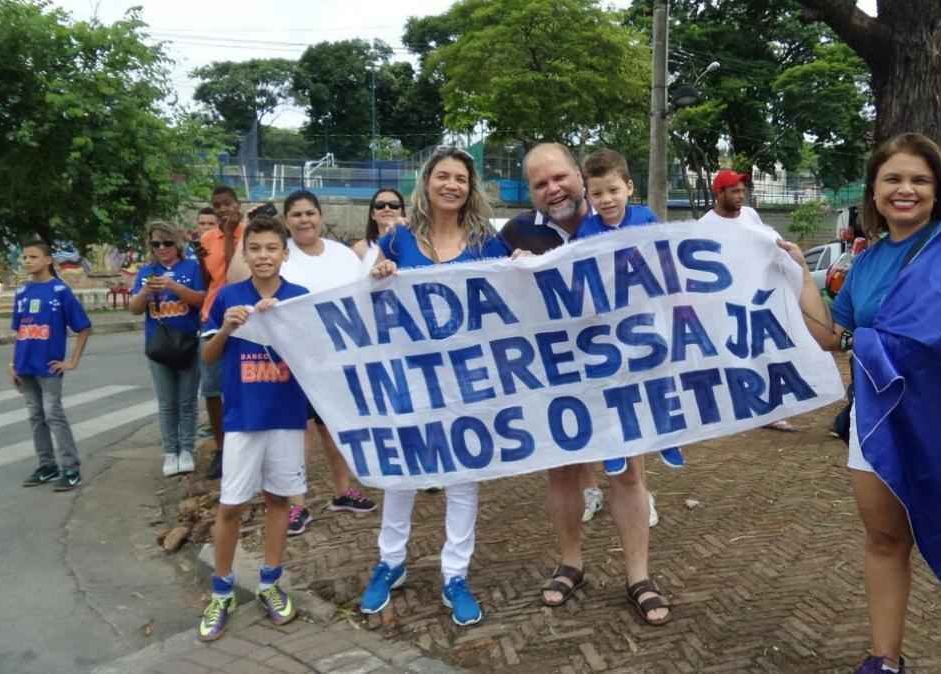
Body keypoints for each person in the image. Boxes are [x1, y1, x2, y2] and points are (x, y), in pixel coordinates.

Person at [778, 132, 941, 674]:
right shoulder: (869, 262)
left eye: (918, 180)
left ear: (937, 188)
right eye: (893, 179)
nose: (906, 190)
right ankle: (885, 658)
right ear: (874, 193)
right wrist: (795, 274)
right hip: (878, 421)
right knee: (883, 538)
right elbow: (833, 334)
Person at [499, 142, 670, 626]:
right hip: (554, 371)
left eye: (560, 178)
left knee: (629, 471)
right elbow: (465, 280)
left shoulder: (633, 220)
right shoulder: (515, 232)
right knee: (562, 471)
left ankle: (639, 575)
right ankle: (570, 563)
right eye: (539, 184)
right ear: (531, 193)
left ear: (580, 178)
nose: (553, 189)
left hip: (620, 365)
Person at [359, 146, 513, 627]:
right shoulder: (398, 240)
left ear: (471, 189)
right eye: (442, 176)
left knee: (462, 476)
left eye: (461, 179)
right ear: (426, 183)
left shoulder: (488, 240)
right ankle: (391, 562)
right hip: (408, 376)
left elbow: (514, 297)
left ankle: (455, 573)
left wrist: (524, 266)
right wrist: (377, 275)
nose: (451, 185)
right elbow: (361, 301)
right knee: (402, 472)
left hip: (466, 377)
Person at [197, 215, 310, 642]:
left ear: (285, 253)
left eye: (271, 248)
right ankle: (221, 590)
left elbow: (314, 357)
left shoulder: (299, 299)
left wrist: (284, 324)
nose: (263, 256)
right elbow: (208, 358)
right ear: (245, 254)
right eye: (256, 249)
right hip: (243, 420)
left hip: (285, 417)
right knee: (230, 506)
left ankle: (269, 582)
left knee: (279, 501)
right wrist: (228, 327)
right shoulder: (229, 296)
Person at [576, 148, 682, 525]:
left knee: (657, 379)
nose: (606, 200)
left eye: (612, 191)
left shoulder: (646, 218)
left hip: (647, 320)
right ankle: (614, 450)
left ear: (629, 188)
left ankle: (667, 436)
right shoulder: (586, 231)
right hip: (609, 327)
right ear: (588, 196)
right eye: (597, 194)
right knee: (615, 391)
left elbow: (665, 259)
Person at [278, 189, 377, 535]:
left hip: (336, 360)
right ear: (286, 221)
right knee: (298, 435)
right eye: (296, 215)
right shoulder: (281, 255)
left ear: (320, 217)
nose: (304, 220)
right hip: (293, 359)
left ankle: (343, 491)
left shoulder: (342, 255)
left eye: (309, 213)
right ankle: (295, 506)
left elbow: (362, 295)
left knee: (334, 429)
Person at [699, 169, 797, 432]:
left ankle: (771, 410)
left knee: (766, 351)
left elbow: (765, 243)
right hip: (726, 304)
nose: (741, 196)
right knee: (732, 355)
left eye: (743, 191)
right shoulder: (704, 226)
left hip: (757, 298)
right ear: (718, 193)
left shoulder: (751, 215)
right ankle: (734, 408)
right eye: (735, 191)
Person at [12, 240, 92, 492]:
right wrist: (13, 363)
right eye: (25, 257)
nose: (27, 261)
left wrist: (72, 361)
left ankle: (71, 468)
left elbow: (84, 327)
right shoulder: (22, 292)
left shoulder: (60, 291)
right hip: (25, 366)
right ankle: (46, 465)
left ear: (48, 260)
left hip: (49, 366)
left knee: (53, 414)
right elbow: (20, 330)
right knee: (35, 416)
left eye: (33, 257)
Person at [130, 222, 206, 477]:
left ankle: (187, 449)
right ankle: (170, 452)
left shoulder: (192, 268)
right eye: (156, 244)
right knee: (166, 403)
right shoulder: (146, 272)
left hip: (187, 342)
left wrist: (176, 288)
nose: (162, 248)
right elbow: (134, 308)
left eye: (167, 243)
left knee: (187, 401)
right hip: (158, 344)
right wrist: (145, 292)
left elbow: (201, 300)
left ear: (177, 243)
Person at [197, 185, 245, 479]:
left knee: (241, 383)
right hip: (213, 315)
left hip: (243, 314)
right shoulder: (206, 238)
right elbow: (209, 279)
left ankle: (242, 445)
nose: (223, 209)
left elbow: (232, 272)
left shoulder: (248, 234)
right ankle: (221, 447)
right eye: (217, 205)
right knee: (212, 387)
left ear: (237, 204)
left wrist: (229, 234)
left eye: (227, 203)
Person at [354, 187, 407, 260]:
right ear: (373, 214)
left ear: (402, 212)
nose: (387, 209)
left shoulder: (415, 244)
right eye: (380, 205)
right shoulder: (360, 249)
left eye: (394, 204)